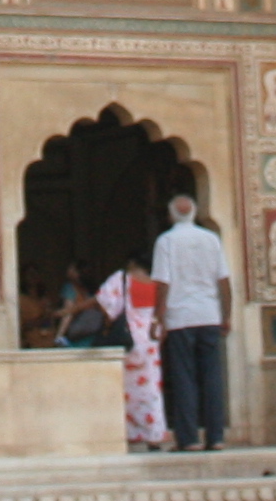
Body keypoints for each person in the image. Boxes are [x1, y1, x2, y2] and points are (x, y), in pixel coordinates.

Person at [152, 193, 231, 452]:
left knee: (184, 378)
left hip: (180, 318)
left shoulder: (166, 241)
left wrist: (159, 318)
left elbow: (163, 283)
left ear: (171, 215)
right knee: (212, 378)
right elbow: (224, 281)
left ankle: (188, 439)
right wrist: (226, 315)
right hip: (209, 314)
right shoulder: (211, 239)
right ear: (195, 213)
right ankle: (216, 436)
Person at [92, 249, 168, 450]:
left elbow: (106, 303)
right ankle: (154, 433)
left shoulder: (122, 278)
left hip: (129, 337)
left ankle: (132, 433)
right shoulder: (159, 283)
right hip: (151, 338)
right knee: (151, 388)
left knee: (128, 389)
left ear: (133, 263)